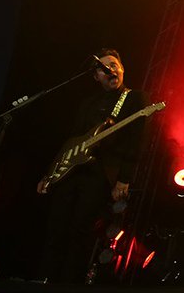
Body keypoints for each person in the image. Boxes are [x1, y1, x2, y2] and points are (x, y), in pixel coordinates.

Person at [38, 50, 150, 283]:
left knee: (80, 229)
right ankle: (45, 280)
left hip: (99, 172)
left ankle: (68, 284)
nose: (111, 69)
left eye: (114, 64)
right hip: (70, 172)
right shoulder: (87, 103)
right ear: (96, 76)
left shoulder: (133, 98)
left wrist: (125, 178)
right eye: (104, 67)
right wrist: (50, 174)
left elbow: (136, 140)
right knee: (56, 226)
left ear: (122, 69)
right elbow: (71, 140)